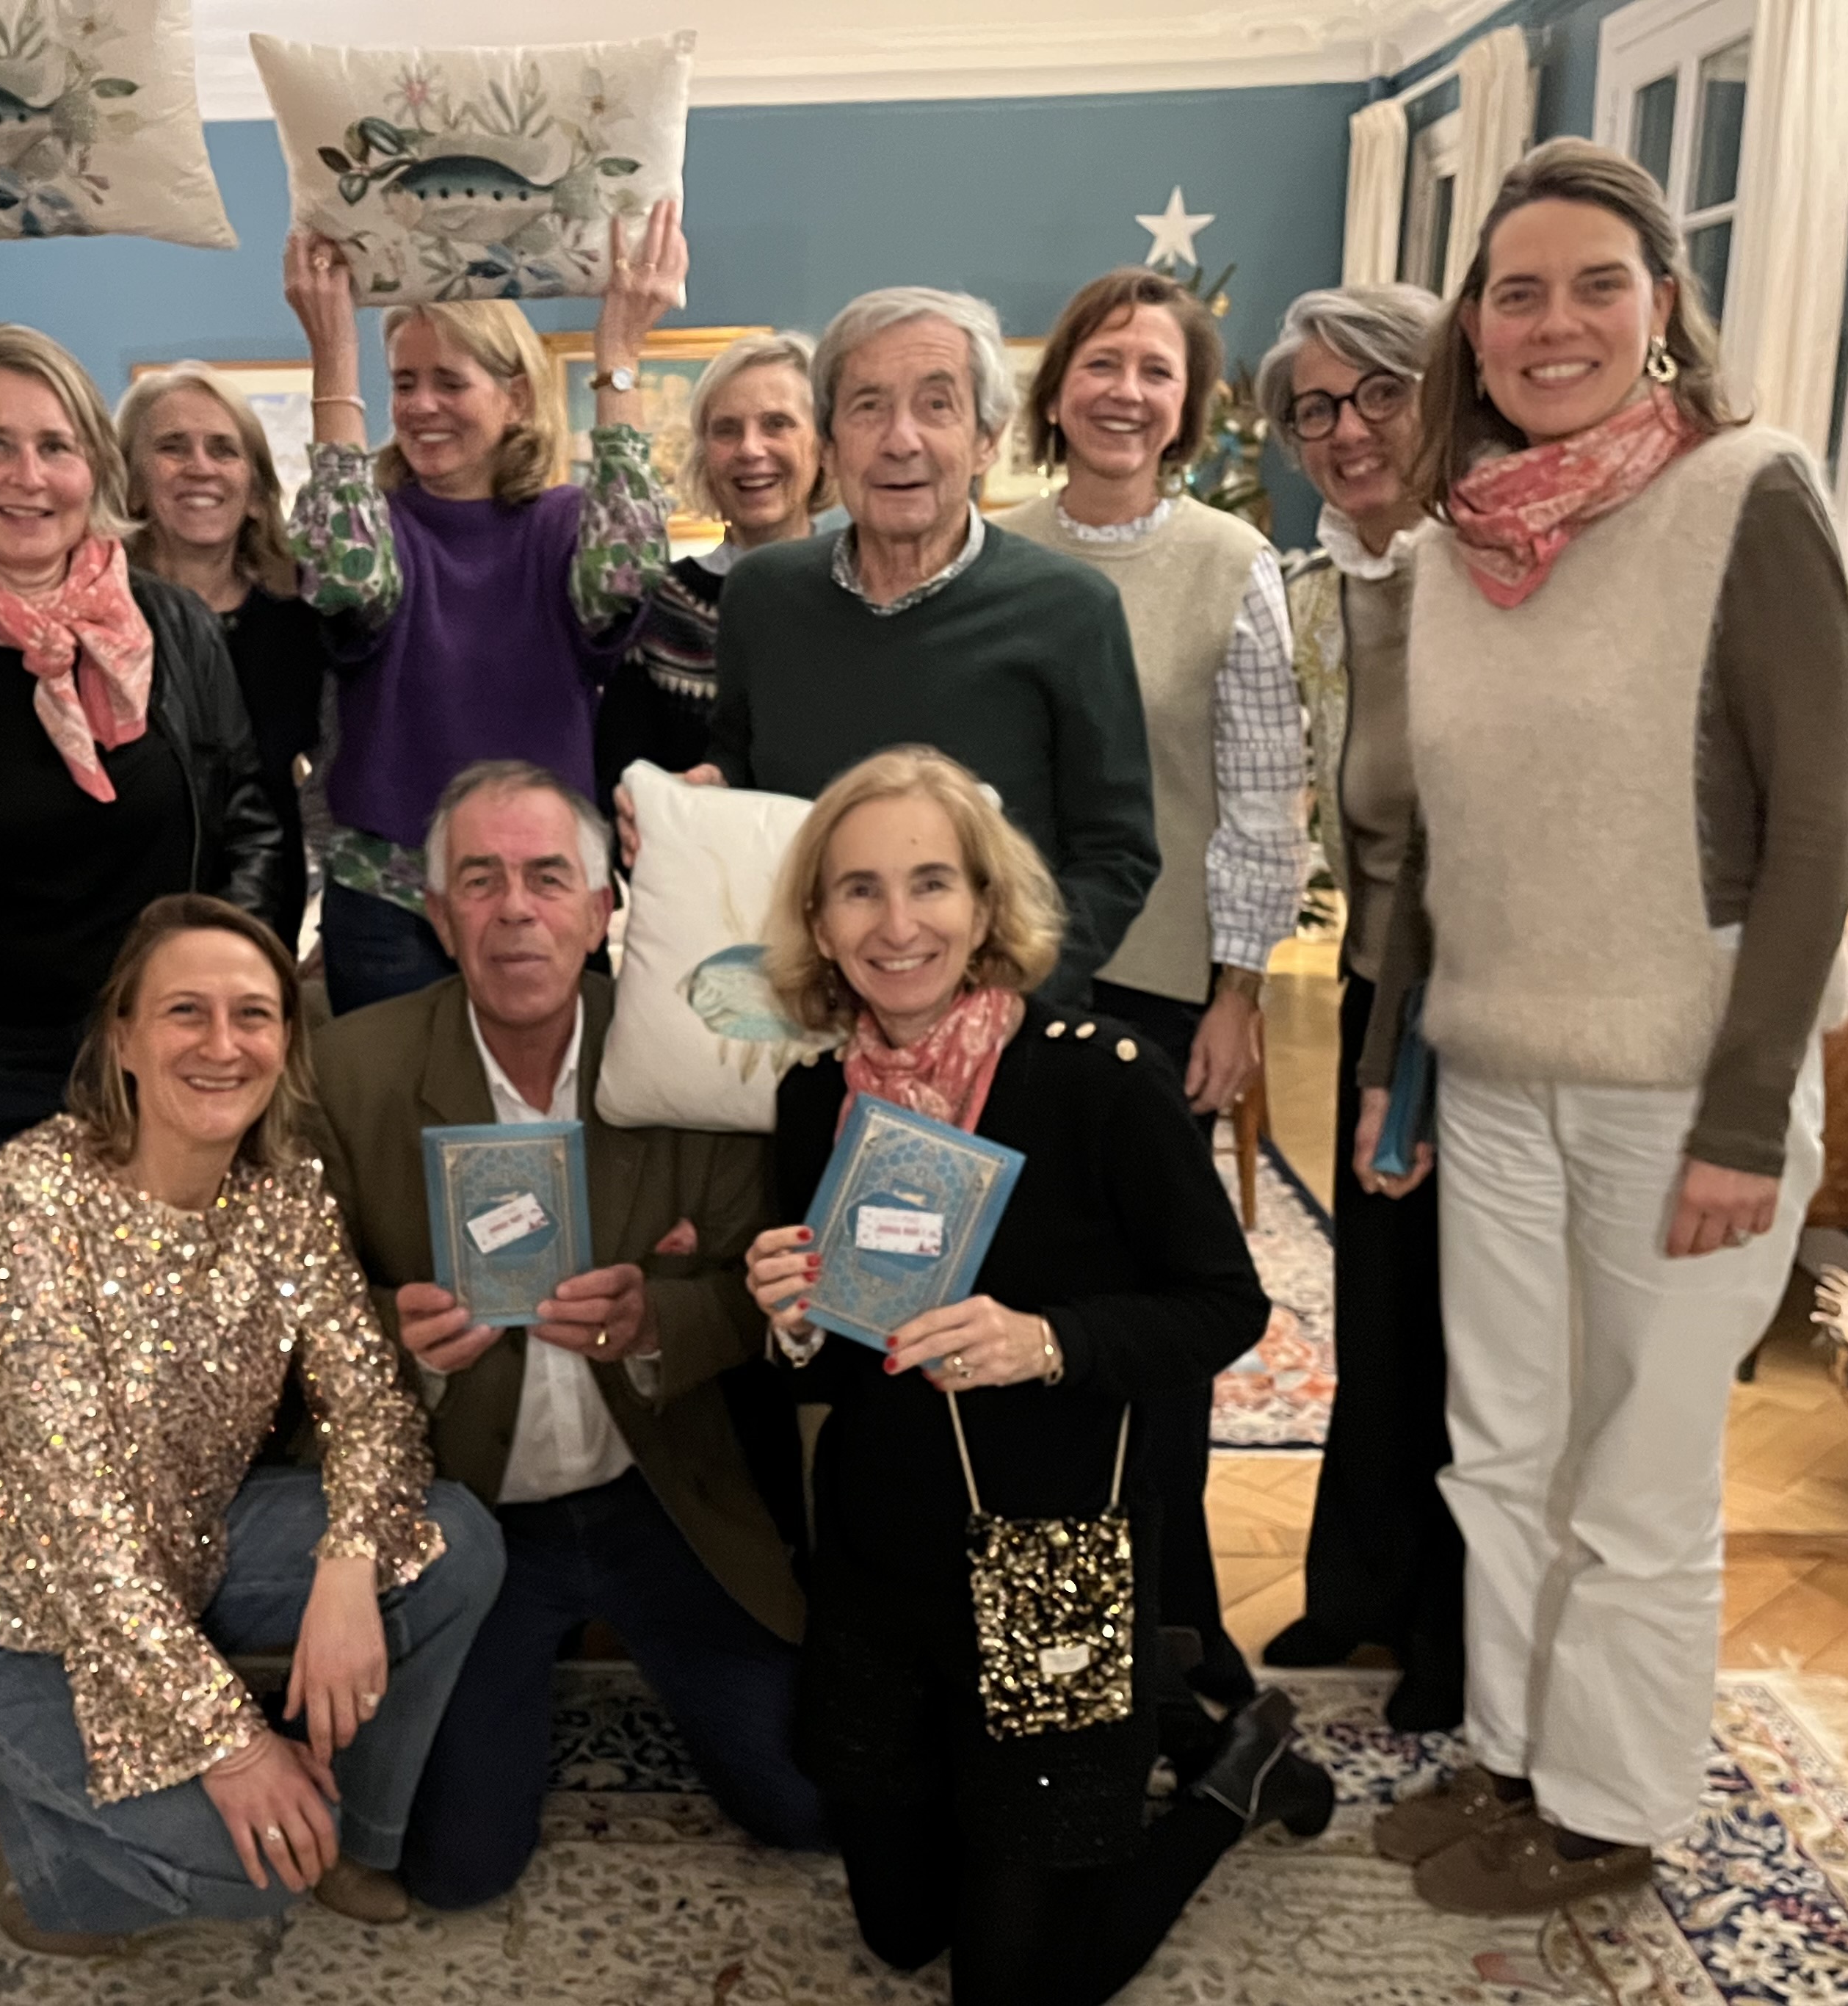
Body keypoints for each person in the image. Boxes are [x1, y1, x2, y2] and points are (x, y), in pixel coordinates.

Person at [1352, 139, 1848, 1914]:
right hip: (1493, 1071)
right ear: (1473, 330)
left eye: (1594, 285)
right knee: (1499, 1451)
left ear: (1661, 308)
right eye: (1516, 291)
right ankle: (1512, 1753)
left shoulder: (1748, 493)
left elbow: (1819, 824)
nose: (1552, 322)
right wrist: (1396, 1067)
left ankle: (1610, 1806)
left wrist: (1745, 1116)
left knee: (1634, 1475)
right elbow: (1439, 847)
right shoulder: (1457, 542)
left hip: (1678, 1079)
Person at [742, 747, 1330, 2005]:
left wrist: (1047, 1341)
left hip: (1051, 1560)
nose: (896, 925)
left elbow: (1222, 1305)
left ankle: (1229, 1777)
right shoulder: (813, 1099)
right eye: (857, 890)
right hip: (880, 1563)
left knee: (1014, 1986)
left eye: (929, 883)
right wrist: (788, 1322)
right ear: (818, 923)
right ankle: (1126, 1727)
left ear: (983, 903)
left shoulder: (1092, 1076)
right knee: (900, 1932)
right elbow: (827, 1364)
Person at [0, 895, 505, 1949]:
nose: (223, 1045)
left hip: (190, 1554)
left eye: (253, 1014)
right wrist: (235, 1745)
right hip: (6, 1626)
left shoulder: (285, 1194)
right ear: (122, 1037)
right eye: (186, 1010)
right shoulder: (33, 1194)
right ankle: (34, 1847)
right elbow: (78, 1526)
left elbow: (371, 1400)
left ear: (285, 1040)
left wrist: (349, 1564)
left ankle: (349, 1833)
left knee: (453, 1545)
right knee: (250, 1870)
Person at [0, 325, 285, 1608]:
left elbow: (249, 822)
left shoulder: (173, 628)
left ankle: (152, 1648)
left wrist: (231, 1027)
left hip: (157, 1074)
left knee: (164, 1389)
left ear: (95, 469)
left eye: (56, 446)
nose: (29, 477)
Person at [311, 759, 822, 1910]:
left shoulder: (691, 1053)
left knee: (802, 1803)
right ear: (436, 916)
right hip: (468, 1517)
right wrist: (396, 1346)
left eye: (547, 879)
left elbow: (755, 1289)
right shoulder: (349, 1072)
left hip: (656, 1491)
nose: (514, 910)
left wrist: (656, 1320)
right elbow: (296, 1318)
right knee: (455, 1867)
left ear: (599, 911)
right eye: (478, 882)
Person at [996, 268, 1305, 1714]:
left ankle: (1174, 1621)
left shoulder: (1232, 562)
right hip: (1004, 991)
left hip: (1162, 995)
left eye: (1157, 372)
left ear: (1187, 410)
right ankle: (1044, 1640)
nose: (1125, 392)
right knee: (1018, 1305)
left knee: (1154, 1320)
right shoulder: (992, 550)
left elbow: (1262, 800)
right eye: (1102, 362)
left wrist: (1239, 990)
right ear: (1057, 387)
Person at [282, 206, 690, 1013]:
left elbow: (629, 571)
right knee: (392, 1095)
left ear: (514, 397)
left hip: (541, 889)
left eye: (448, 381)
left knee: (555, 1095)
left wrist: (618, 355)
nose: (421, 405)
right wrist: (334, 360)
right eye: (404, 383)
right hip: (391, 893)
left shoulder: (563, 525)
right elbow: (342, 581)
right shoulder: (380, 524)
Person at [705, 286, 1156, 1007]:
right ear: (830, 445)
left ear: (986, 439)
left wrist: (1003, 998)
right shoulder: (762, 597)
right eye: (868, 407)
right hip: (803, 1018)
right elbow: (740, 766)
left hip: (1001, 1026)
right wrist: (701, 795)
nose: (900, 440)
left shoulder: (1071, 610)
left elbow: (1115, 855)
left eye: (936, 405)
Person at [1250, 282, 1463, 1733]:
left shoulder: (1491, 573)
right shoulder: (1316, 594)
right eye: (1315, 409)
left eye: (1379, 392)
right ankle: (1361, 1582)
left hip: (1480, 995)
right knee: (1376, 1303)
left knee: (1465, 1323)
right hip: (1378, 980)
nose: (1346, 431)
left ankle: (1452, 1627)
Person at [115, 363, 333, 952]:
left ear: (257, 493)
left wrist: (341, 921)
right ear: (131, 485)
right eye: (171, 447)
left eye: (223, 449)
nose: (200, 467)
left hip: (262, 917)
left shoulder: (300, 626)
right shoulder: (89, 621)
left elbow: (331, 781)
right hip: (115, 921)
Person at [593, 330, 833, 792]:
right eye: (727, 429)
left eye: (777, 424)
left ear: (822, 445)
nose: (750, 449)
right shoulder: (660, 606)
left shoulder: (862, 592)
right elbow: (620, 785)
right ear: (704, 455)